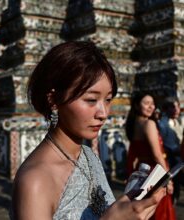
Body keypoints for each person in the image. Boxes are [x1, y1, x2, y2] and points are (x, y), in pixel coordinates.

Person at [11, 41, 166, 220]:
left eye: (108, 100)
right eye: (91, 100)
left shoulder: (88, 156)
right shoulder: (35, 181)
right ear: (53, 100)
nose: (103, 113)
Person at [125, 93, 176, 220]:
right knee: (159, 211)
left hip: (142, 171)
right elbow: (157, 155)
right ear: (137, 105)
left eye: (152, 103)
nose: (151, 107)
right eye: (146, 103)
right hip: (156, 172)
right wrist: (168, 179)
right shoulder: (148, 124)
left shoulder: (133, 124)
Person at [158, 96, 183, 204]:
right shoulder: (162, 124)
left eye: (177, 106)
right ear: (166, 109)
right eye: (173, 107)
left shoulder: (179, 121)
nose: (176, 109)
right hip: (170, 159)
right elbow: (161, 144)